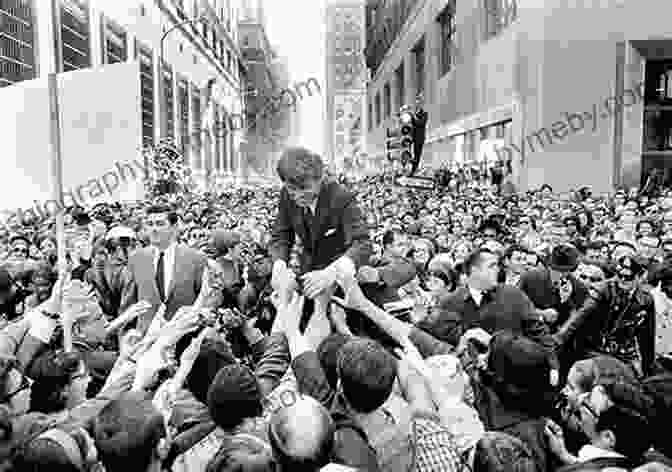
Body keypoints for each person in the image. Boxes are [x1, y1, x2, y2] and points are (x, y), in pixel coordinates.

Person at [269, 147, 371, 300]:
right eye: (292, 190)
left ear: (320, 179)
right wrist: (279, 265)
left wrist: (331, 273)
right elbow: (281, 235)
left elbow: (362, 243)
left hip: (340, 280)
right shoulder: (285, 195)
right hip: (309, 273)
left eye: (304, 188)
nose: (297, 196)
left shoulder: (341, 197)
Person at [120, 204, 207, 334]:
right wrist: (125, 338)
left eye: (160, 224)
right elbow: (128, 305)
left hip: (183, 337)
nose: (154, 229)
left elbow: (204, 300)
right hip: (145, 339)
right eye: (150, 224)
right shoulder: (136, 259)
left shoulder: (195, 258)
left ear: (174, 227)